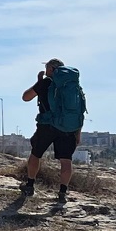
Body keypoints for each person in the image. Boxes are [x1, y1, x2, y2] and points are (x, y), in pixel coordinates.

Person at [19, 59, 87, 205]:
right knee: (66, 161)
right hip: (69, 128)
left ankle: (30, 186)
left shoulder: (46, 82)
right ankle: (62, 193)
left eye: (46, 68)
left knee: (36, 154)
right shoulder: (74, 86)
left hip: (47, 125)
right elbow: (80, 110)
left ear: (51, 69)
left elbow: (26, 97)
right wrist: (78, 133)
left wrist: (38, 82)